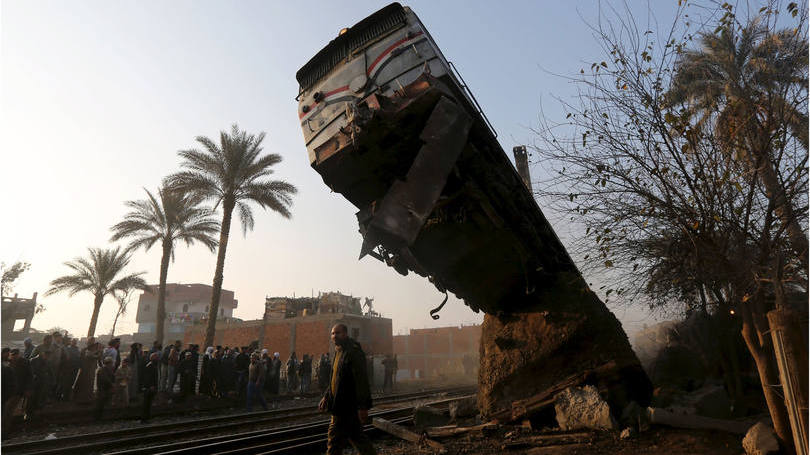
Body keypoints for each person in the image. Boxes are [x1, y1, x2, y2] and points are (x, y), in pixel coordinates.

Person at [319, 324, 375, 455]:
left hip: (347, 405)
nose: (334, 336)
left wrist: (363, 406)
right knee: (356, 437)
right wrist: (327, 396)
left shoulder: (353, 352)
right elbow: (334, 378)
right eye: (332, 333)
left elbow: (361, 380)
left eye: (337, 333)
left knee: (334, 440)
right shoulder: (338, 352)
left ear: (345, 334)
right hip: (339, 404)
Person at [27, 348, 52, 421]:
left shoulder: (46, 361)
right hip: (35, 383)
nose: (47, 357)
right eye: (47, 355)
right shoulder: (33, 360)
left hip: (42, 382)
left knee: (39, 398)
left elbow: (49, 371)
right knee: (32, 399)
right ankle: (29, 413)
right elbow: (31, 372)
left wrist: (50, 379)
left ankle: (35, 414)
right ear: (42, 354)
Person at [73, 339, 101, 404]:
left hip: (91, 370)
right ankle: (81, 398)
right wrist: (98, 353)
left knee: (89, 383)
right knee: (84, 383)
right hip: (86, 369)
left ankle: (87, 398)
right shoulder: (85, 350)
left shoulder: (93, 351)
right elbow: (90, 356)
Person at [94, 356, 115, 421]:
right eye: (111, 363)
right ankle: (98, 418)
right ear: (108, 363)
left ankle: (103, 418)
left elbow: (113, 377)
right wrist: (112, 384)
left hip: (106, 390)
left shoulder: (108, 370)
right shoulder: (102, 370)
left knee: (105, 404)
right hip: (102, 390)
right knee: (100, 405)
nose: (112, 365)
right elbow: (105, 379)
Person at [140, 352, 159, 423]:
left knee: (149, 403)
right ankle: (144, 418)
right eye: (156, 357)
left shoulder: (153, 365)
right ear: (152, 358)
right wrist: (151, 386)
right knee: (146, 403)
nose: (157, 358)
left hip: (151, 387)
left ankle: (147, 417)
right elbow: (147, 378)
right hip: (149, 388)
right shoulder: (150, 366)